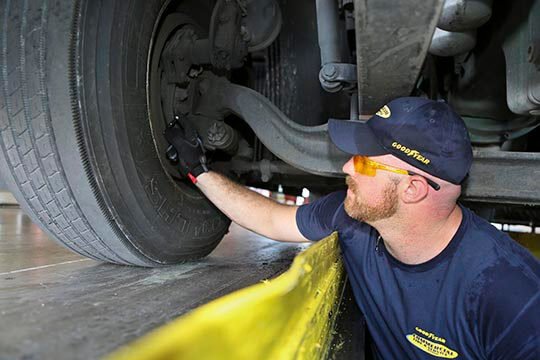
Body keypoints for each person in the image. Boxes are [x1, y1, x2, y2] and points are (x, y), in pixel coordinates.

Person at [165, 97, 540, 359]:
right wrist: (199, 171)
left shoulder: (512, 295)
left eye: (363, 162)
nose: (346, 168)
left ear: (413, 188)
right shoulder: (354, 221)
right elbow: (271, 220)